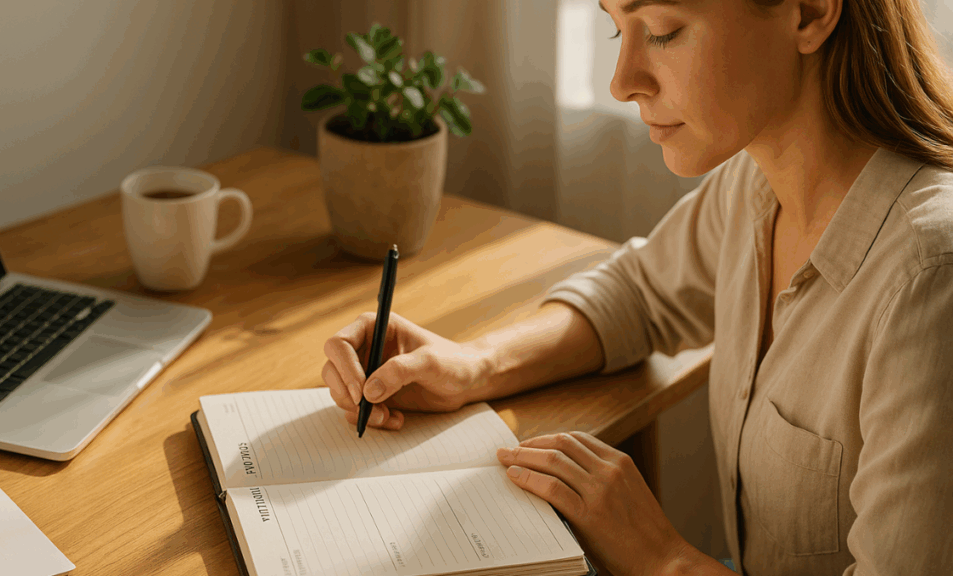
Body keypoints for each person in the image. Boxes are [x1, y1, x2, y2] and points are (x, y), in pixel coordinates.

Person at [320, 0, 953, 573]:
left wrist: (663, 559)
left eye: (662, 31)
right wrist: (470, 364)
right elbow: (639, 295)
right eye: (617, 29)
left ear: (811, 13)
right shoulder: (757, 184)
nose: (622, 82)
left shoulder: (928, 281)